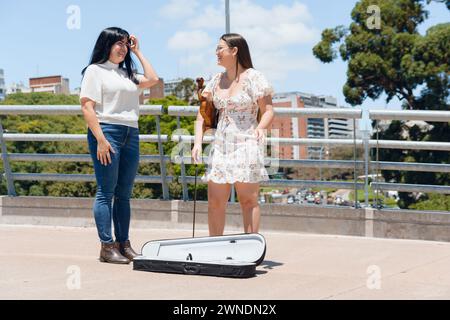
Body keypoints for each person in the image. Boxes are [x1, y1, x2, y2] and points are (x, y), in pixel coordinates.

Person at [80, 27, 159, 264]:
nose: (123, 48)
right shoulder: (95, 71)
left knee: (124, 194)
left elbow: (153, 80)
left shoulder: (128, 74)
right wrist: (101, 140)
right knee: (106, 191)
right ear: (107, 45)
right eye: (119, 43)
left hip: (131, 133)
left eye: (126, 44)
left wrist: (138, 51)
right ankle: (107, 246)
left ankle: (124, 244)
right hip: (107, 132)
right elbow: (87, 107)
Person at [191, 33, 275, 236]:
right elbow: (202, 116)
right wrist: (197, 143)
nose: (216, 53)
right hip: (221, 146)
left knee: (248, 201)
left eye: (221, 48)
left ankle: (252, 249)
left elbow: (269, 111)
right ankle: (214, 247)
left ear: (235, 50)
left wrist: (261, 128)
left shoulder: (254, 78)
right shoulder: (215, 81)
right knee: (215, 202)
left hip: (246, 143)